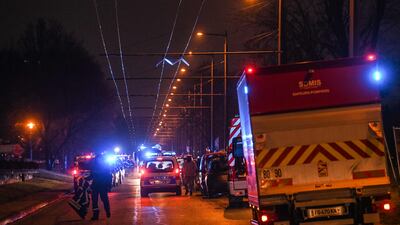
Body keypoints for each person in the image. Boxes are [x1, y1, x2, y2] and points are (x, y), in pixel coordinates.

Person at [88, 155, 112, 220]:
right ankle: (95, 215)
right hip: (95, 186)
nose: (99, 161)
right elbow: (91, 176)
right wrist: (85, 179)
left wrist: (109, 186)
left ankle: (107, 211)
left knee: (104, 200)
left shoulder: (106, 167)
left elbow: (109, 177)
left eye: (100, 159)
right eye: (98, 159)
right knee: (94, 201)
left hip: (103, 186)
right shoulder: (94, 167)